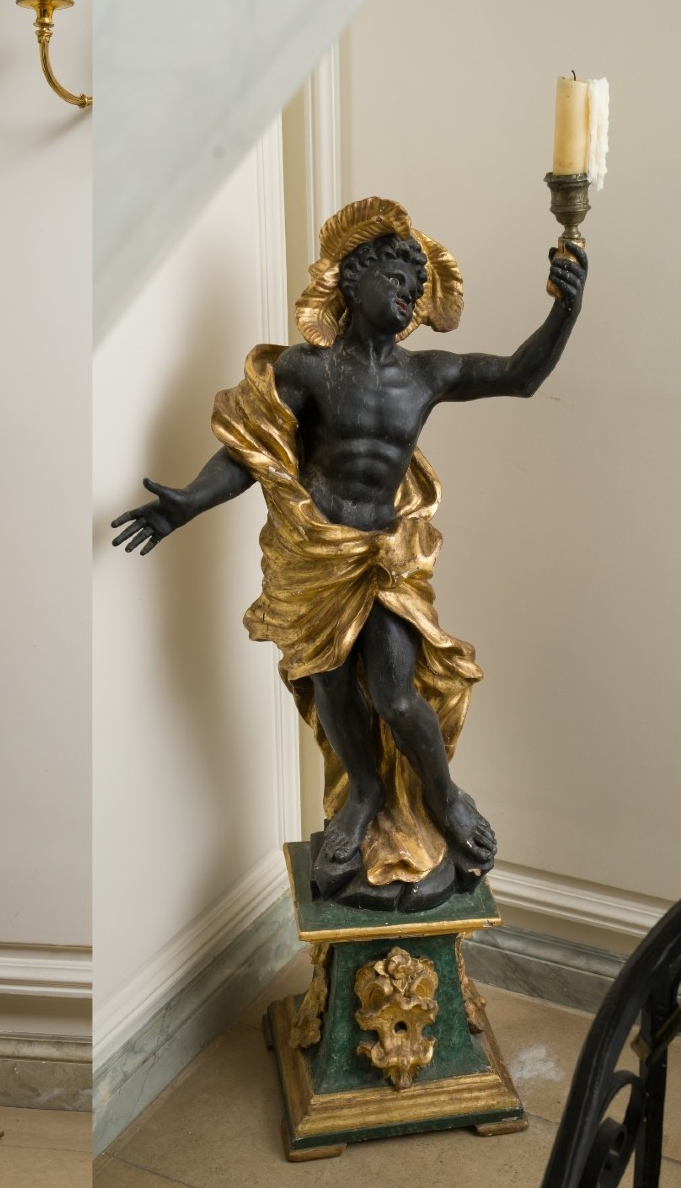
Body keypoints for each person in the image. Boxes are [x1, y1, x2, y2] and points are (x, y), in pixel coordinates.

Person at [112, 197, 586, 910]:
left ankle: (446, 801)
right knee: (330, 685)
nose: (408, 294)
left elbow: (520, 375)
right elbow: (248, 454)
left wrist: (563, 312)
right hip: (312, 555)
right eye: (395, 277)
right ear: (351, 278)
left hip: (384, 558)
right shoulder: (305, 370)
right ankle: (362, 795)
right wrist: (187, 502)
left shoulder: (426, 374)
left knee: (396, 693)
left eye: (416, 286)